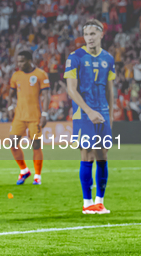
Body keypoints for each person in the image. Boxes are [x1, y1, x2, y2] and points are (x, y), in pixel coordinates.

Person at [64, 19, 115, 214]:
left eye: (93, 33)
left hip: (102, 113)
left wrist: (109, 115)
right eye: (86, 34)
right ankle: (87, 203)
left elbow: (110, 91)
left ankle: (99, 202)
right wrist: (89, 111)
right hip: (84, 114)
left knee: (103, 156)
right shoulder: (75, 57)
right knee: (87, 154)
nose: (89, 38)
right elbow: (71, 90)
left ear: (101, 35)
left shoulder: (108, 59)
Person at [7, 50, 50, 185]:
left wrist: (45, 114)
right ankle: (24, 170)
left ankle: (37, 176)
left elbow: (46, 96)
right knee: (12, 144)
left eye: (22, 61)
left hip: (35, 116)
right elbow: (10, 94)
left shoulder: (40, 74)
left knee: (35, 145)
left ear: (30, 60)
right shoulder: (16, 76)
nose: (19, 64)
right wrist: (9, 108)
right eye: (18, 61)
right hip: (19, 116)